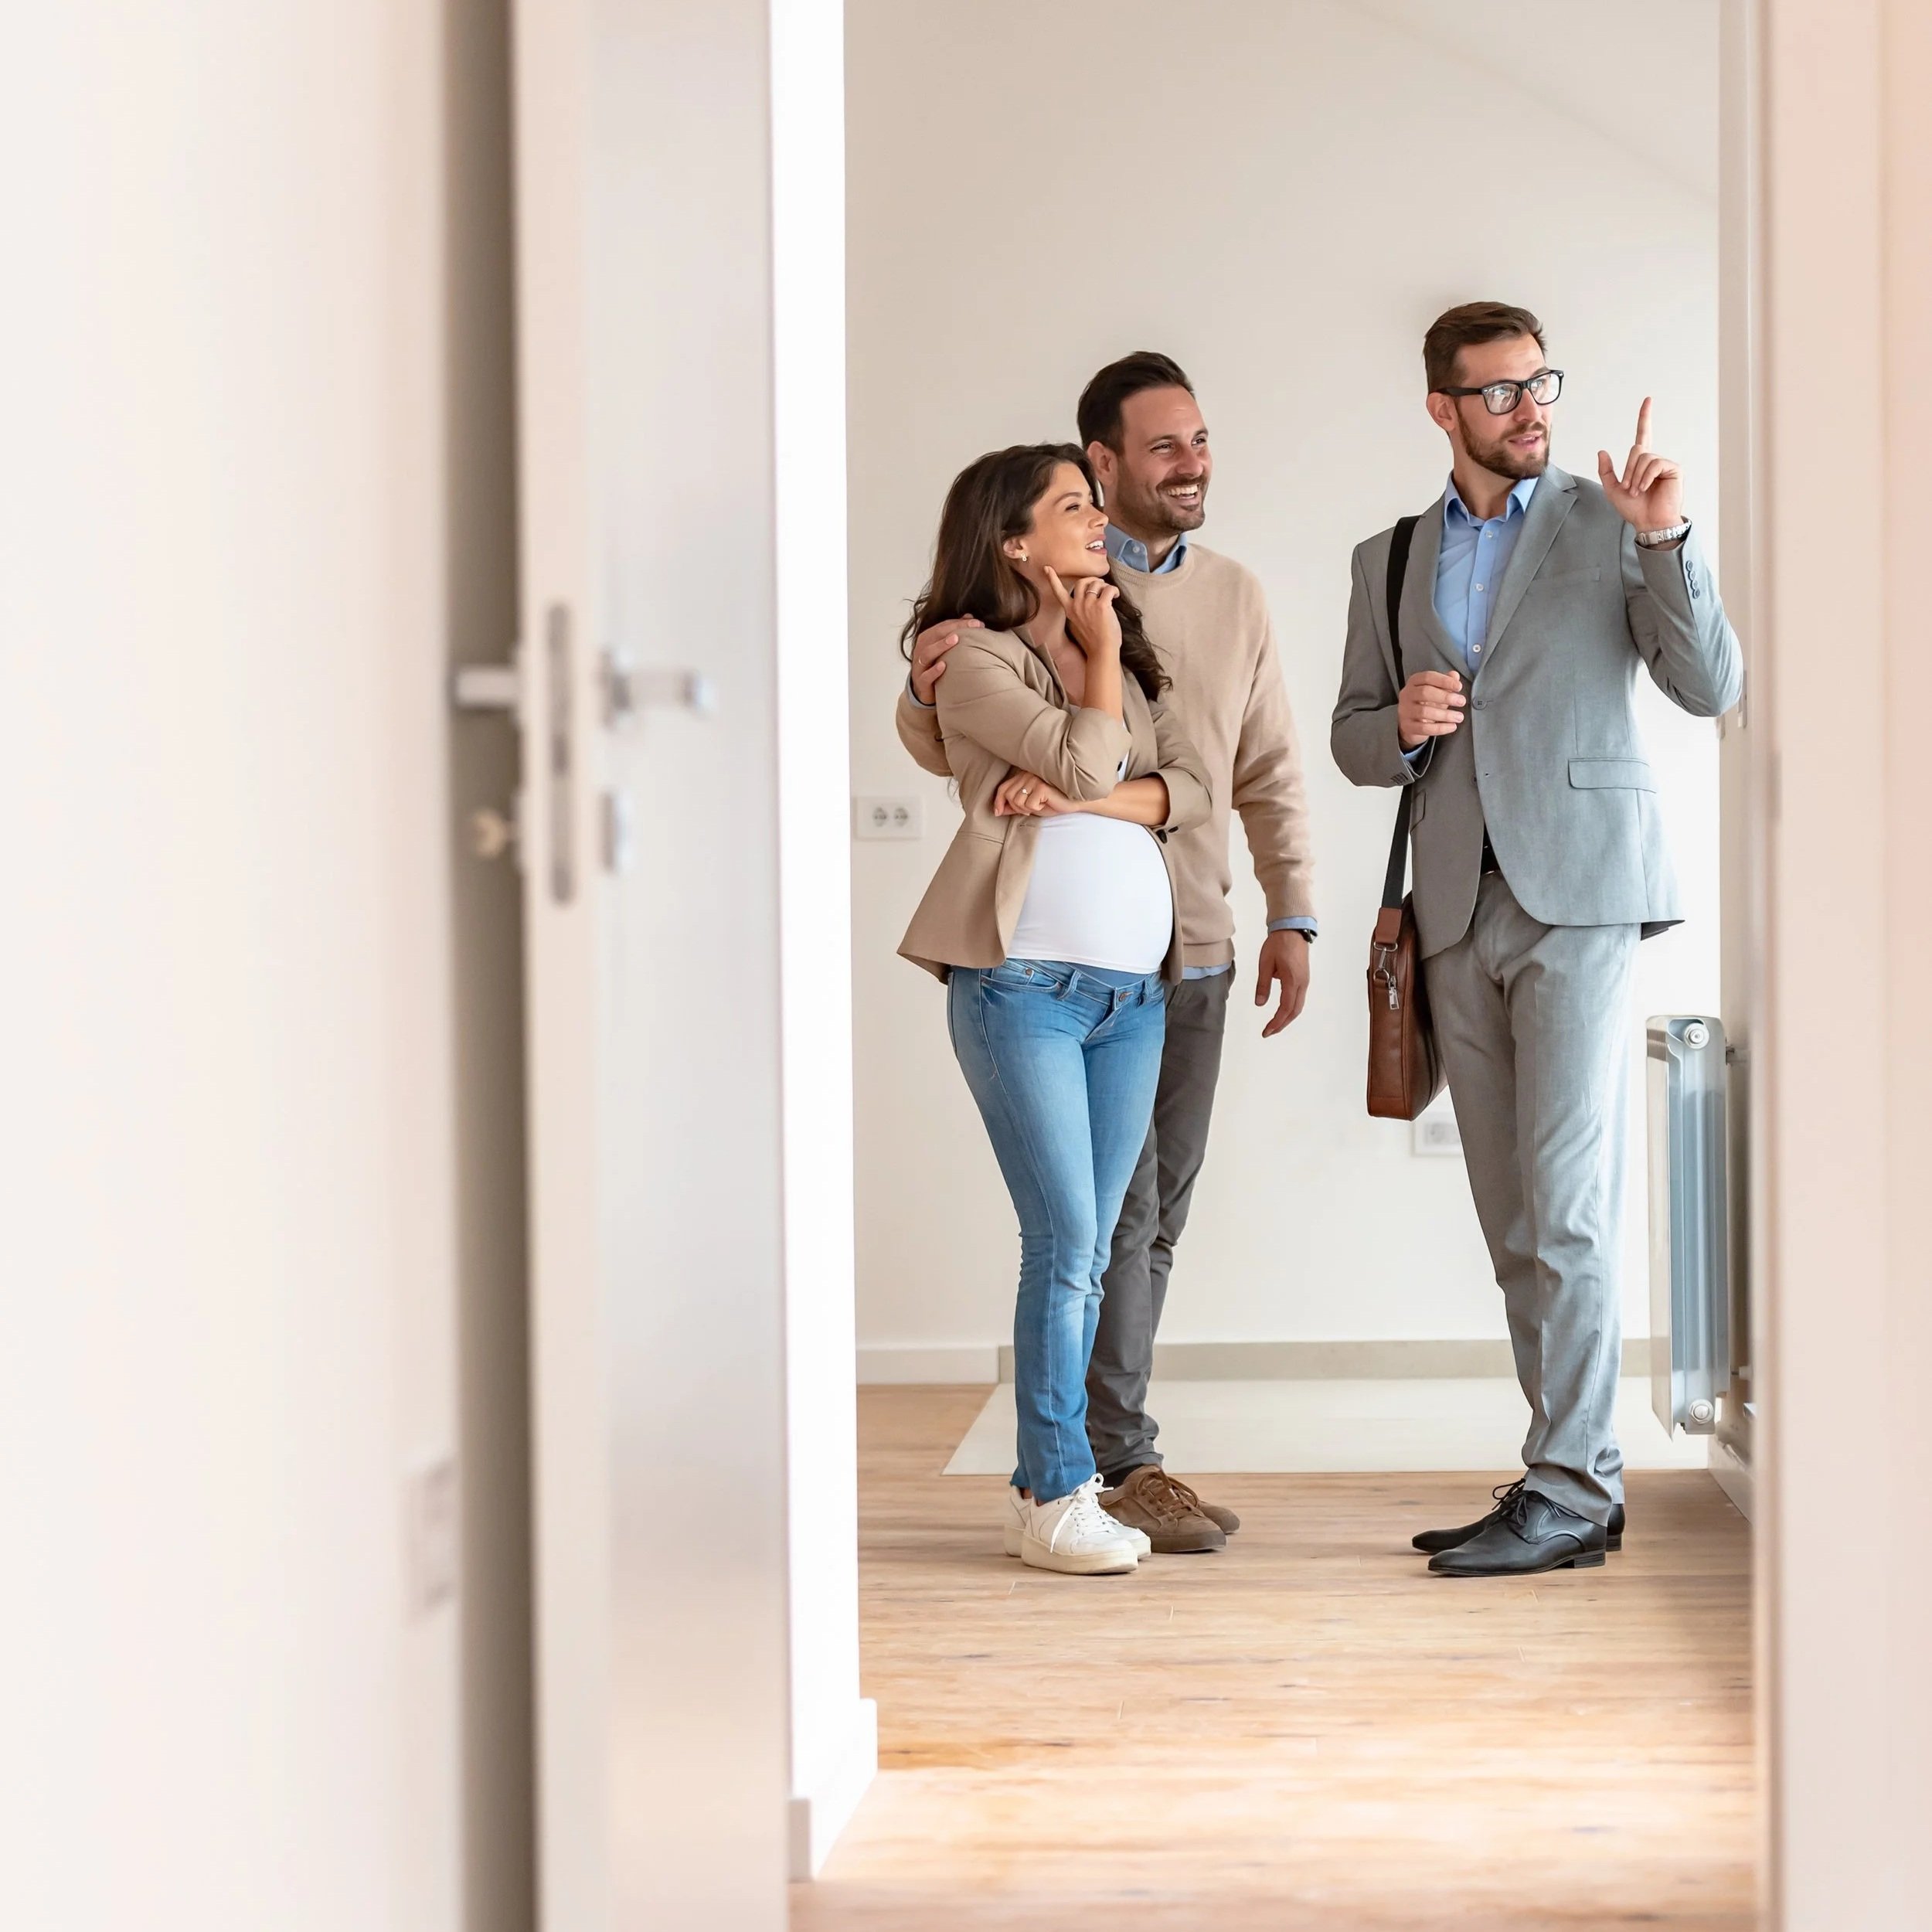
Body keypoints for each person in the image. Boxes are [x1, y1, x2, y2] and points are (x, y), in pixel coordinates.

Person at [1332, 301, 1743, 1577]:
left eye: (1538, 385)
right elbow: (1353, 737)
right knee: (1513, 1216)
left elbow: (1710, 683)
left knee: (1566, 1206)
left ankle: (1571, 1482)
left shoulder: (1601, 522)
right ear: (1442, 409)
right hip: (1456, 908)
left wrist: (1665, 537)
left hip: (1579, 895)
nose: (1529, 410)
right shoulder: (1389, 557)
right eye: (1499, 393)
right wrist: (1399, 718)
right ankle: (1570, 1481)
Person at [899, 354, 1316, 1555]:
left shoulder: (1208, 605)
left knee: (1147, 1220)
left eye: (1201, 440)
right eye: (1161, 447)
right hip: (1036, 975)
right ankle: (1085, 1472)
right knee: (1081, 1233)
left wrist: (1290, 908)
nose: (1191, 464)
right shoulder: (993, 637)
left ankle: (1106, 1459)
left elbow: (1218, 777)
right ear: (1099, 463)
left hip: (1178, 960)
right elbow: (964, 733)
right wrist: (960, 702)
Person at [898, 444, 1211, 1577]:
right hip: (1022, 986)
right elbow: (1088, 759)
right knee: (1067, 1242)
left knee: (1097, 1240)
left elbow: (1193, 787)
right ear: (1015, 541)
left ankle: (1052, 1483)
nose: (1098, 519)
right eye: (1074, 507)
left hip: (1132, 996)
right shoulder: (969, 661)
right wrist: (1097, 681)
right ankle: (1056, 1494)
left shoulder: (1117, 654)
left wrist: (1101, 762)